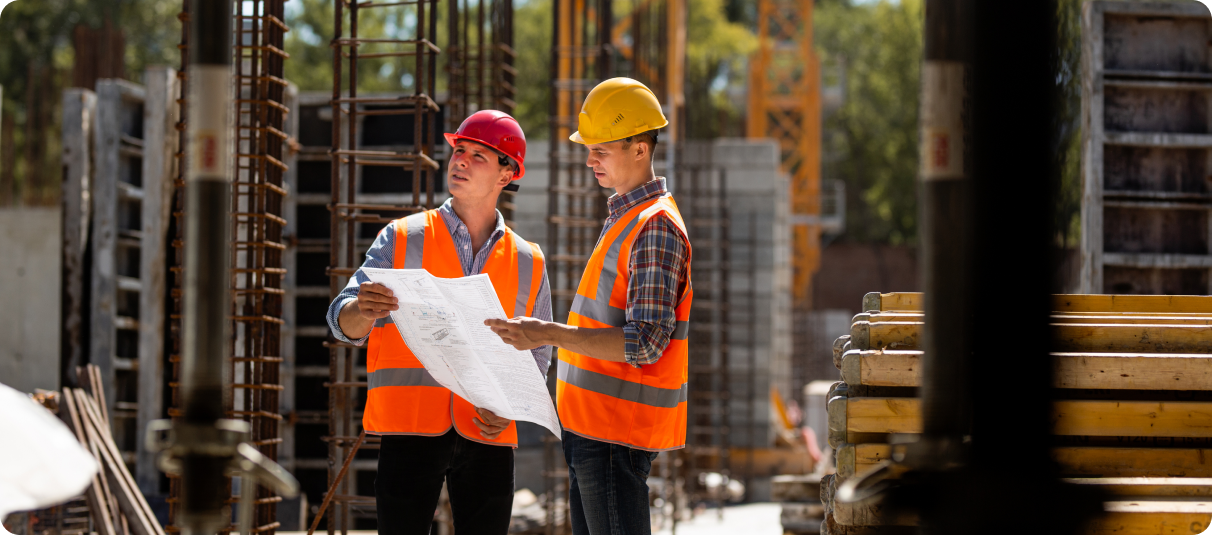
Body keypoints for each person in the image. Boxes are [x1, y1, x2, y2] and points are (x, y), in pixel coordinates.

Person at [326, 110, 552, 535]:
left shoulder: (528, 260)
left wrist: (512, 409)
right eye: (459, 151)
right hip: (409, 427)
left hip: (488, 433)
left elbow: (539, 353)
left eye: (478, 155)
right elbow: (342, 320)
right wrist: (363, 310)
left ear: (507, 174)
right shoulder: (402, 236)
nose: (460, 161)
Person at [485, 78, 692, 535]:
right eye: (589, 148)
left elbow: (645, 343)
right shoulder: (627, 217)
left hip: (616, 434)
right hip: (593, 431)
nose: (589, 158)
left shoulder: (654, 227)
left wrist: (547, 333)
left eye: (602, 148)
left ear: (640, 149)